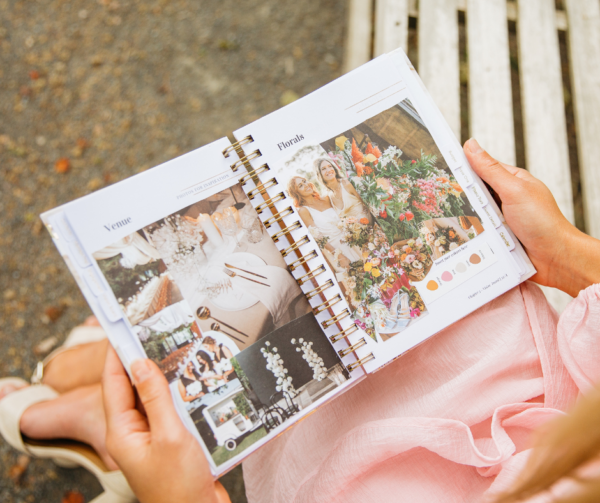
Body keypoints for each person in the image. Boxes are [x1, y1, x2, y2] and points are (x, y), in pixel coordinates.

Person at [1, 139, 600, 503]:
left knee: (240, 320)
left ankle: (106, 412)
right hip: (517, 359)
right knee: (249, 280)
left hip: (384, 471)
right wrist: (570, 255)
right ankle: (117, 393)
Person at [286, 175, 360, 270]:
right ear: (297, 193)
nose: (305, 185)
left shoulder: (326, 199)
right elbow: (318, 237)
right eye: (300, 186)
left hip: (353, 242)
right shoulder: (304, 210)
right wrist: (339, 256)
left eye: (304, 181)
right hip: (337, 250)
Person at [312, 157, 372, 224]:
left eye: (330, 166)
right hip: (354, 233)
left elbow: (369, 206)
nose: (329, 170)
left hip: (370, 225)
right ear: (319, 174)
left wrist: (371, 227)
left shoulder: (347, 184)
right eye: (323, 169)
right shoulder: (327, 196)